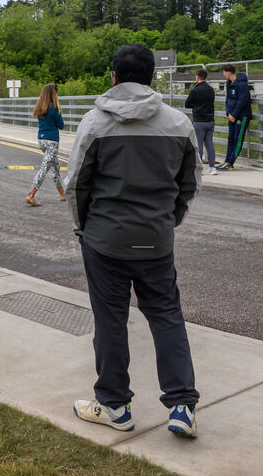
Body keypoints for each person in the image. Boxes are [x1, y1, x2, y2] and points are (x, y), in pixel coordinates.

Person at [66, 44, 201, 439]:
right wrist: (168, 222)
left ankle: (115, 406)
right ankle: (182, 406)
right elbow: (189, 184)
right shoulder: (178, 124)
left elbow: (77, 185)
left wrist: (84, 229)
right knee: (166, 315)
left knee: (110, 320)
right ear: (151, 78)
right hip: (156, 239)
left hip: (105, 240)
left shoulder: (94, 124)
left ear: (113, 77)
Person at [25, 84, 66, 207]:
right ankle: (31, 195)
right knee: (44, 168)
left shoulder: (39, 107)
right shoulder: (54, 108)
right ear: (54, 94)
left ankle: (62, 195)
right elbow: (61, 125)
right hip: (52, 142)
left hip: (41, 141)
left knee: (55, 167)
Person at [217, 65, 252, 171]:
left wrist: (235, 115)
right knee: (230, 138)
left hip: (242, 116)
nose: (223, 75)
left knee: (238, 139)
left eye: (224, 72)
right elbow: (228, 100)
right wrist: (228, 113)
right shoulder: (229, 83)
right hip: (231, 116)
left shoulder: (242, 84)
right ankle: (227, 161)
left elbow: (242, 101)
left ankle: (231, 163)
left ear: (228, 72)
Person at [184, 68, 217, 175]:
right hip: (210, 120)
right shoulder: (211, 89)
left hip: (199, 121)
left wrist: (196, 105)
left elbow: (187, 104)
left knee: (198, 145)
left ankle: (199, 168)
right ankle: (212, 167)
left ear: (197, 77)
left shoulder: (195, 90)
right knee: (209, 144)